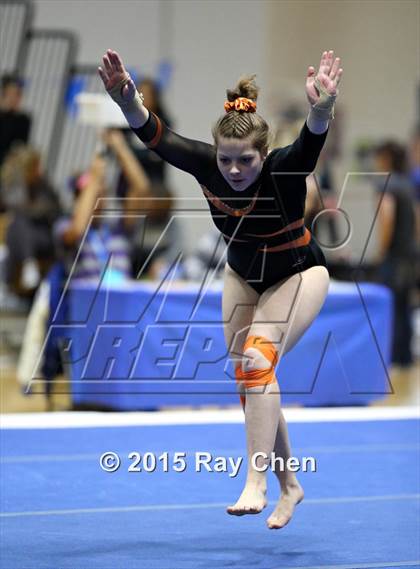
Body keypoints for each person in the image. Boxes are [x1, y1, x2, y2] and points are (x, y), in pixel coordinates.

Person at [99, 49, 343, 529]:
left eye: (245, 160)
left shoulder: (283, 170)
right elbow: (156, 137)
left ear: (263, 153)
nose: (234, 170)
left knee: (258, 359)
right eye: (226, 160)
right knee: (251, 377)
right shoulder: (206, 164)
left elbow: (311, 142)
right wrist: (127, 102)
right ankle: (290, 483)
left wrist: (321, 109)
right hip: (241, 274)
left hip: (298, 271)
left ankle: (256, 481)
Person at [373, 141, 417, 368]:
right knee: (404, 307)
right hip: (409, 254)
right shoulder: (408, 184)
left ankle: (390, 357)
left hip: (394, 256)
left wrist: (382, 248)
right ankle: (405, 357)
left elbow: (386, 216)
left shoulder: (386, 184)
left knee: (388, 305)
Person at [0, 74, 31, 169]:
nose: (13, 98)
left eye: (17, 95)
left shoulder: (23, 120)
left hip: (7, 168)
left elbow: (20, 147)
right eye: (10, 94)